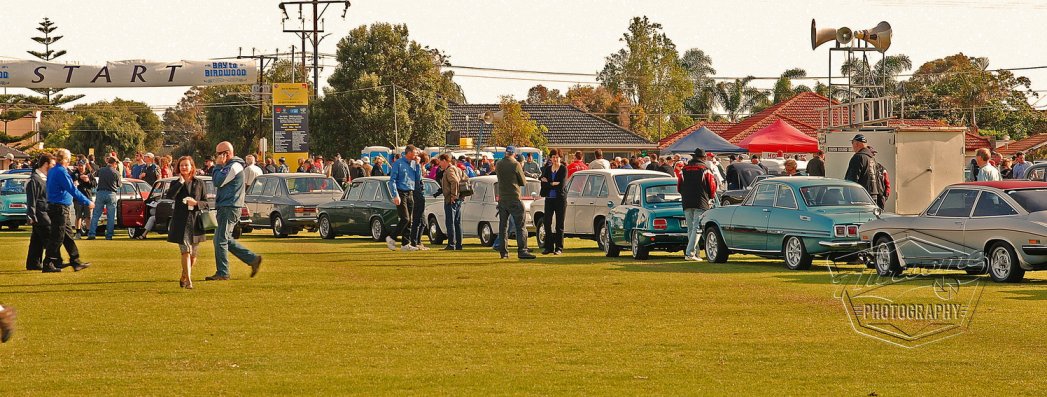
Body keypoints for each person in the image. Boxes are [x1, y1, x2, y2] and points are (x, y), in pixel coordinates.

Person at [207, 141, 262, 281]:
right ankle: (253, 259)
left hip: (229, 206)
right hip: (227, 206)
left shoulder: (234, 166)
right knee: (224, 239)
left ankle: (223, 272)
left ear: (226, 153)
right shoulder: (230, 166)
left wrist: (218, 165)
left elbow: (218, 181)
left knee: (220, 240)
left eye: (219, 154)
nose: (217, 157)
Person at [45, 149, 93, 273]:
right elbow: (72, 189)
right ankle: (48, 262)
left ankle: (75, 261)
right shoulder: (61, 171)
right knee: (58, 236)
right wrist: (87, 201)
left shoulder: (53, 170)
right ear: (65, 159)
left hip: (57, 206)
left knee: (67, 236)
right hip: (59, 207)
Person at [166, 156, 208, 289]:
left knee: (193, 255)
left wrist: (196, 203)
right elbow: (170, 196)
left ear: (192, 167)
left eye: (186, 165)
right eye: (181, 165)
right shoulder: (175, 182)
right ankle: (189, 281)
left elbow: (206, 203)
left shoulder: (199, 183)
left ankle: (184, 275)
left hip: (195, 222)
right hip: (180, 222)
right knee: (185, 252)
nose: (184, 167)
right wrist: (180, 182)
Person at [494, 146, 536, 259]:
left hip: (502, 199)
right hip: (514, 198)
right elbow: (523, 182)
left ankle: (504, 253)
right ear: (514, 154)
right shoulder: (515, 164)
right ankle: (522, 251)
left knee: (503, 227)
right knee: (520, 226)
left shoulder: (498, 164)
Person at [679, 148, 717, 261]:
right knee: (697, 228)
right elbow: (712, 187)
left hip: (686, 201)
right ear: (704, 157)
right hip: (701, 201)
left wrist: (685, 195)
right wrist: (710, 197)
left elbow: (679, 187)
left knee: (690, 229)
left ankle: (695, 253)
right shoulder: (705, 169)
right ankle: (690, 253)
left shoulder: (683, 170)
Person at [386, 145, 421, 251]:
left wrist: (418, 165)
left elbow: (417, 178)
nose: (416, 155)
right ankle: (391, 237)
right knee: (405, 218)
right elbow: (392, 180)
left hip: (410, 192)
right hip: (401, 193)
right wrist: (395, 195)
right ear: (409, 153)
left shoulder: (414, 163)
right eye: (415, 152)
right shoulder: (398, 163)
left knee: (409, 220)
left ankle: (405, 244)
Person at [25, 154, 53, 271]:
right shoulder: (34, 179)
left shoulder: (41, 178)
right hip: (40, 214)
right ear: (46, 164)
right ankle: (51, 263)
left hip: (41, 213)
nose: (53, 166)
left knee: (36, 241)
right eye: (52, 164)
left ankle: (33, 263)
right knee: (49, 238)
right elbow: (32, 199)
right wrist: (31, 215)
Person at [843, 134, 884, 208]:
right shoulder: (872, 158)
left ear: (857, 143)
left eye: (852, 143)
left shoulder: (858, 157)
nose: (852, 146)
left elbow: (852, 179)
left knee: (860, 219)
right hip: (873, 195)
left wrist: (846, 195)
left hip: (861, 196)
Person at [540, 149, 566, 255]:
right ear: (550, 158)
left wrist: (548, 183)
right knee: (547, 223)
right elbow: (542, 183)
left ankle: (559, 247)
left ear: (560, 158)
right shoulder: (547, 169)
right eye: (553, 157)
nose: (555, 159)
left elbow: (561, 185)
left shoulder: (563, 169)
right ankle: (548, 247)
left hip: (560, 200)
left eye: (557, 157)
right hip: (549, 200)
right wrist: (552, 184)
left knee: (559, 224)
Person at [88, 156, 121, 240]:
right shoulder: (116, 172)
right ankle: (109, 236)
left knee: (96, 215)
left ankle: (92, 234)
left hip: (100, 193)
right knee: (111, 216)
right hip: (111, 194)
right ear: (114, 163)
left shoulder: (101, 170)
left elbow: (93, 175)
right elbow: (119, 184)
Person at [438, 153, 465, 250]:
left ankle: (451, 244)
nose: (439, 164)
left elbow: (454, 181)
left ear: (444, 160)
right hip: (459, 199)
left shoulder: (449, 170)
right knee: (457, 223)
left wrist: (453, 195)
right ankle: (458, 245)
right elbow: (465, 179)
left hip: (451, 199)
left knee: (450, 222)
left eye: (440, 161)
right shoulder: (457, 169)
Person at [410, 149, 429, 251]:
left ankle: (418, 242)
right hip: (418, 194)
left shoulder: (415, 166)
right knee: (418, 220)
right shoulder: (416, 167)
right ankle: (414, 242)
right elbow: (417, 180)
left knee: (422, 222)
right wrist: (418, 165)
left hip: (419, 194)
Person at [72, 162, 95, 238]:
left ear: (85, 166)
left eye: (82, 166)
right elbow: (70, 184)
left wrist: (88, 181)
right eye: (79, 165)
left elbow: (94, 184)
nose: (80, 167)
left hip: (87, 197)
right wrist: (75, 182)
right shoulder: (74, 174)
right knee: (78, 216)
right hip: (77, 198)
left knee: (88, 216)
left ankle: (89, 232)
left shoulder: (89, 174)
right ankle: (78, 233)